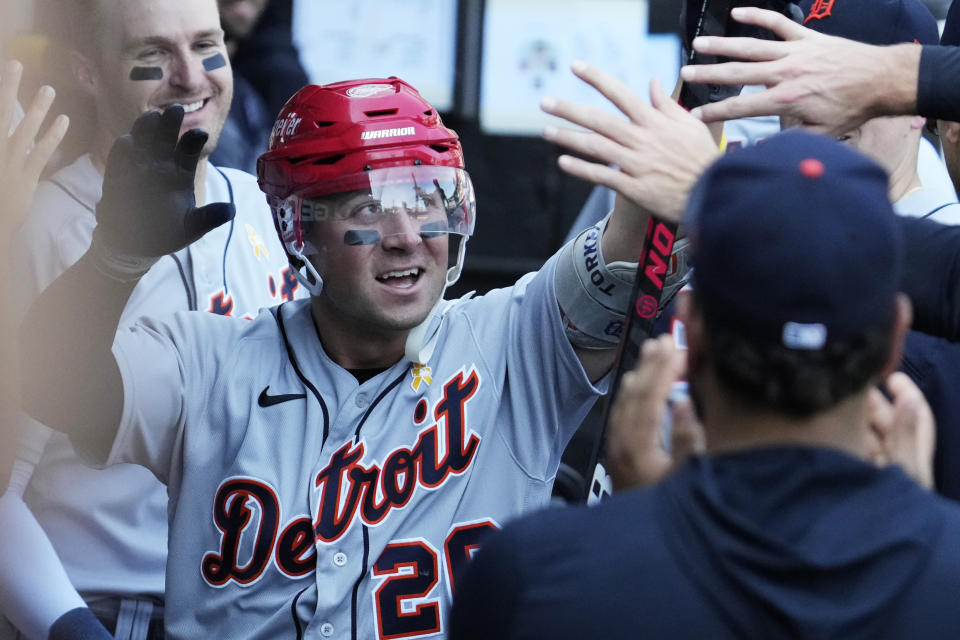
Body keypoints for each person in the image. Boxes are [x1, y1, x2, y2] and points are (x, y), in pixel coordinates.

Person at [15, 59, 671, 636]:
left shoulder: (519, 342)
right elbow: (52, 383)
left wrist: (681, 154)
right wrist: (114, 261)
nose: (405, 235)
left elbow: (630, 248)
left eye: (428, 199)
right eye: (367, 208)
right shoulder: (208, 361)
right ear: (302, 230)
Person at [448, 129, 960, 640]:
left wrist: (635, 526)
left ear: (690, 331)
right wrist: (915, 523)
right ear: (895, 340)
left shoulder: (529, 578)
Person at [1, 0, 300, 637]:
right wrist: (69, 626)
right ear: (87, 72)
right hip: (102, 613)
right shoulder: (38, 227)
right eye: (152, 56)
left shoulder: (265, 210)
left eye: (206, 46)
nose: (192, 77)